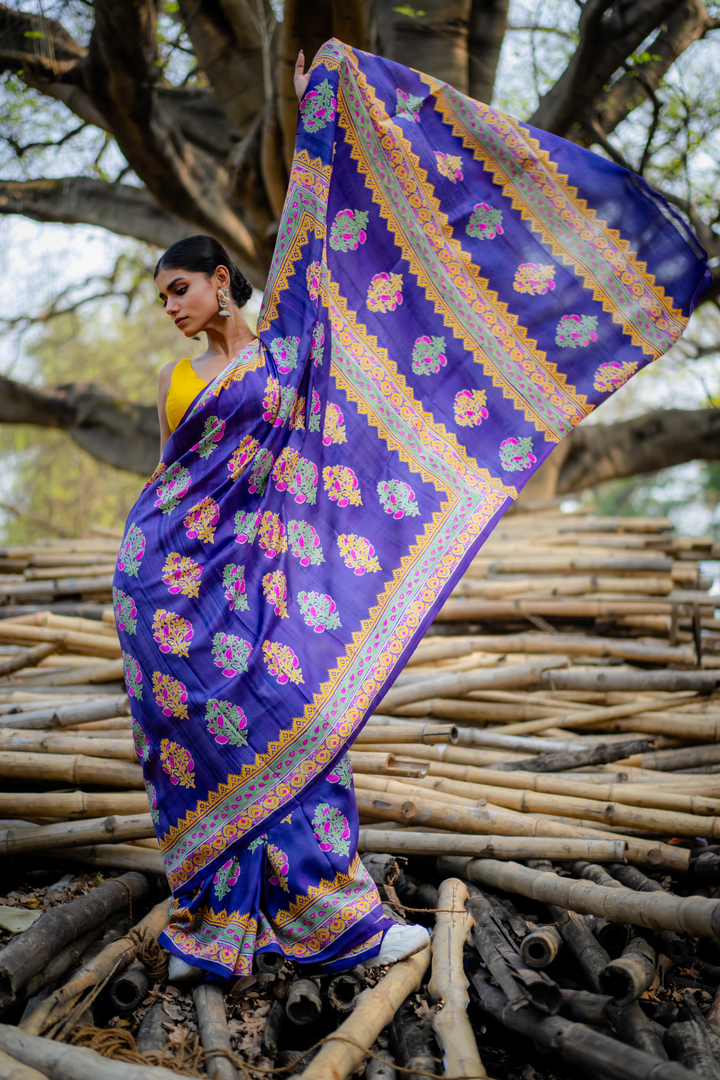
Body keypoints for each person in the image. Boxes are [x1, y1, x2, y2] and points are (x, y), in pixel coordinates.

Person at [115, 39, 708, 985]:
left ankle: (330, 920)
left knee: (302, 715)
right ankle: (210, 931)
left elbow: (318, 243)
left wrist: (323, 103)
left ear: (221, 278)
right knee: (193, 749)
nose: (171, 308)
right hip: (168, 587)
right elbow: (167, 482)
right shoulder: (174, 379)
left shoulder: (284, 352)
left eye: (179, 288)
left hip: (264, 579)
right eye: (160, 298)